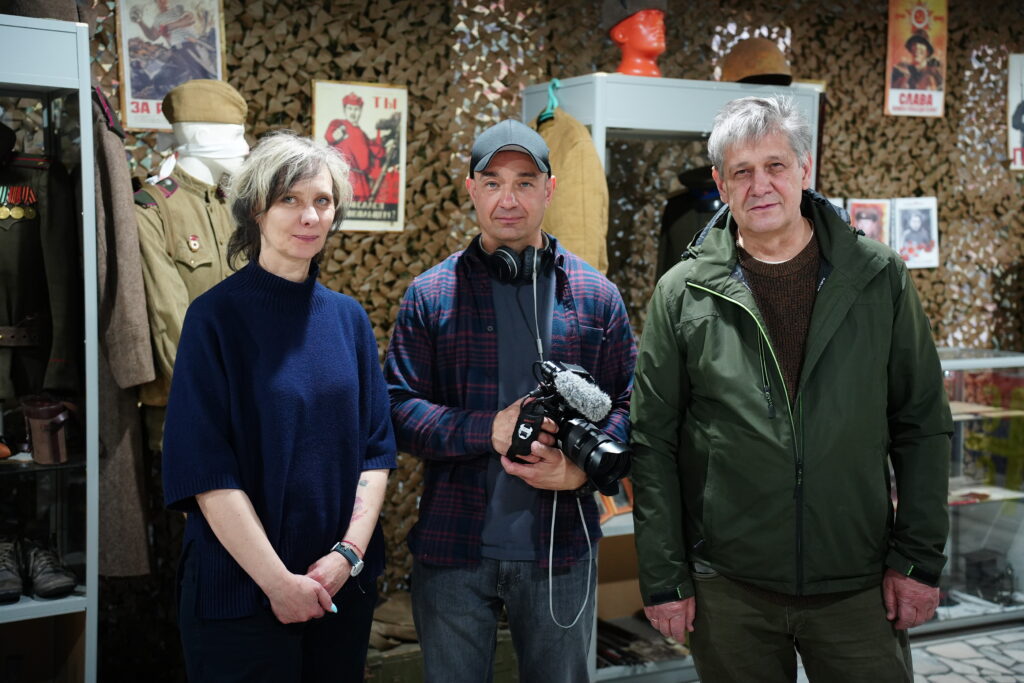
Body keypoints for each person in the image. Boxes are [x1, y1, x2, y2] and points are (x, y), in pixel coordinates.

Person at [630, 96, 952, 682]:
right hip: (729, 588)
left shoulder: (879, 277)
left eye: (775, 165)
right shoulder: (681, 294)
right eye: (742, 171)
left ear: (805, 169)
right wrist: (664, 576)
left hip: (858, 582)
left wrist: (918, 560)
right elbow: (652, 442)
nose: (760, 186)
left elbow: (923, 426)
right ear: (720, 184)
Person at [384, 119, 636, 682]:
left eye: (525, 182)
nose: (509, 199)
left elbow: (630, 404)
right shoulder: (430, 295)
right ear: (471, 189)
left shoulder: (596, 296)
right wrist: (488, 430)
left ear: (550, 190)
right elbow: (398, 409)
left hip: (561, 550)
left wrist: (580, 471)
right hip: (453, 551)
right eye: (493, 182)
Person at [162, 131, 397, 682]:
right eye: (289, 199)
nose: (309, 215)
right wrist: (278, 583)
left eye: (322, 200)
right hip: (241, 594)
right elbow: (205, 471)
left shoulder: (348, 319)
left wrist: (347, 557)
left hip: (338, 588)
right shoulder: (214, 318)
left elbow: (375, 452)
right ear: (256, 210)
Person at [324, 93, 397, 203]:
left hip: (361, 182)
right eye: (350, 108)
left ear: (360, 111)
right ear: (345, 110)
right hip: (342, 178)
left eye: (356, 109)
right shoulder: (339, 124)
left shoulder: (363, 135)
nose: (353, 113)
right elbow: (329, 136)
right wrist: (336, 134)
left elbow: (378, 151)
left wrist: (389, 148)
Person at [602, 0, 667, 77]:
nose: (659, 24)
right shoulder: (606, 83)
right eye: (646, 18)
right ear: (621, 35)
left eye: (660, 18)